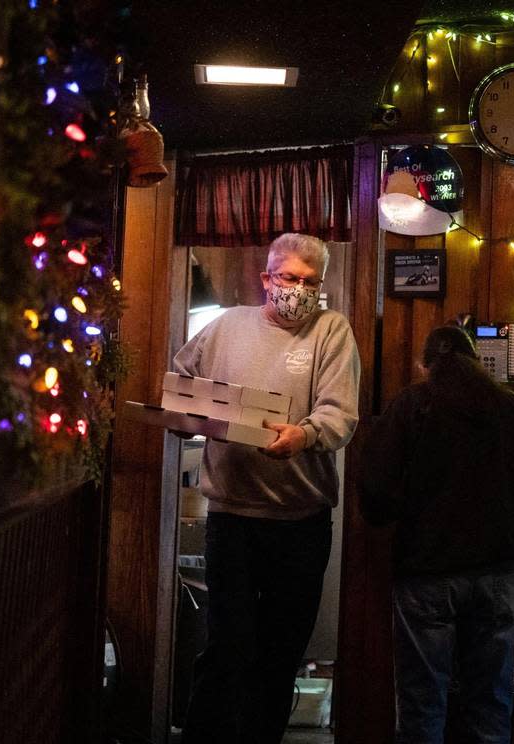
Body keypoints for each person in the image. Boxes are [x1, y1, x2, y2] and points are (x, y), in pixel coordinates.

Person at [173, 233, 361, 744]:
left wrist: (304, 434)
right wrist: (182, 416)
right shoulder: (226, 326)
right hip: (231, 520)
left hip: (300, 523)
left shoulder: (332, 331)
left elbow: (340, 415)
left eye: (308, 281)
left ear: (319, 286)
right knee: (226, 647)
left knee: (279, 656)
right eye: (288, 278)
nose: (296, 290)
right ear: (266, 278)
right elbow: (180, 381)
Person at [359, 325, 514, 744]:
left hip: (427, 576)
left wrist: (403, 512)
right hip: (498, 577)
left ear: (424, 366)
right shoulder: (508, 408)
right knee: (490, 704)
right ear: (475, 361)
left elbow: (374, 492)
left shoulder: (411, 405)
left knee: (422, 706)